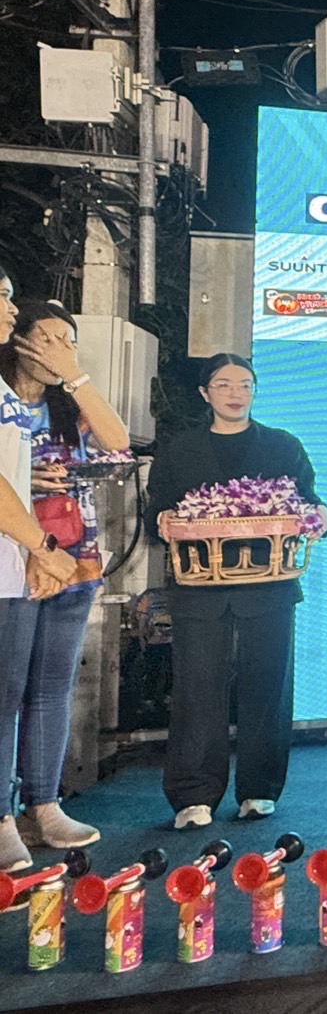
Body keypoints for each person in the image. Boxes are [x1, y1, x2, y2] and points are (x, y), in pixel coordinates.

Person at [144, 353, 327, 829]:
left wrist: (322, 516)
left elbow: (311, 502)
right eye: (224, 385)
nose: (235, 393)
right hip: (199, 587)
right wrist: (163, 519)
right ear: (204, 393)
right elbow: (155, 512)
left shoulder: (283, 445)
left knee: (268, 684)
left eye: (245, 384)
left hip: (269, 586)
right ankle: (193, 795)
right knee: (196, 688)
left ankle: (259, 789)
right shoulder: (180, 448)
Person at [0, 301, 129, 854]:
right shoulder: (4, 401)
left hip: (75, 557)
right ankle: (3, 819)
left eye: (69, 341)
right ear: (20, 342)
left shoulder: (67, 403)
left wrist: (75, 375)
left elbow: (116, 440)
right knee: (7, 691)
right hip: (16, 557)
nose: (60, 349)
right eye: (49, 339)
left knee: (52, 688)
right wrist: (22, 476)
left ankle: (45, 806)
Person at [0, 276, 80, 871]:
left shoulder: (26, 401)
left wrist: (39, 549)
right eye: (1, 297)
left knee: (24, 692)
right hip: (28, 556)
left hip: (22, 564)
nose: (8, 307)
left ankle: (29, 809)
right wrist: (44, 547)